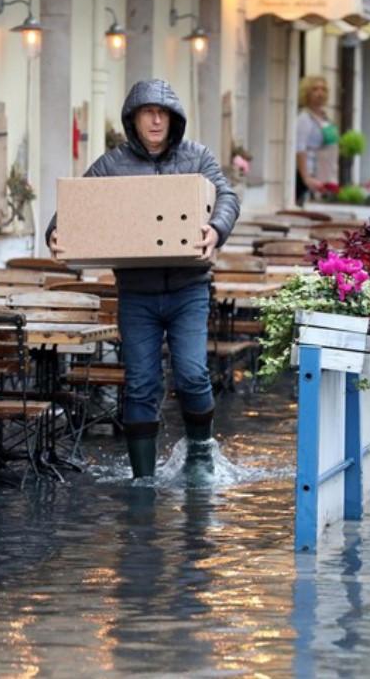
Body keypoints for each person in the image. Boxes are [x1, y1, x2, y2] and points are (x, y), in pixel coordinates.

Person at [45, 79, 240, 480]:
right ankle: (143, 478)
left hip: (189, 287)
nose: (155, 119)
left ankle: (201, 452)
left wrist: (216, 229)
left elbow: (227, 196)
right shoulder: (111, 165)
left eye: (162, 112)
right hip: (137, 291)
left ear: (173, 119)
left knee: (191, 372)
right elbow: (76, 206)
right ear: (133, 119)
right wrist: (55, 230)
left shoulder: (197, 157)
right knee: (140, 383)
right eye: (147, 112)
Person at [295, 75, 338, 206]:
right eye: (315, 89)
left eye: (323, 89)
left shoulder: (325, 118)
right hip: (308, 175)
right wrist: (306, 178)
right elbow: (299, 148)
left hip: (323, 174)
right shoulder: (304, 118)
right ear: (306, 93)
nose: (320, 93)